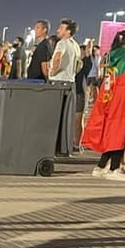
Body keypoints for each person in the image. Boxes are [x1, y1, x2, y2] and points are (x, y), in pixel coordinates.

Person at [83, 28, 125, 181]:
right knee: (121, 132)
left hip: (110, 97)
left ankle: (101, 166)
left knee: (114, 131)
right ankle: (114, 169)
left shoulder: (114, 53)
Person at [48, 19, 81, 155]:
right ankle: (64, 148)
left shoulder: (62, 43)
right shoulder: (76, 45)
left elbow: (56, 58)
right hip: (70, 82)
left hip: (59, 82)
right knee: (66, 118)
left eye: (61, 28)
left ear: (68, 31)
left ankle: (53, 147)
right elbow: (79, 65)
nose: (58, 30)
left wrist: (52, 72)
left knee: (55, 116)